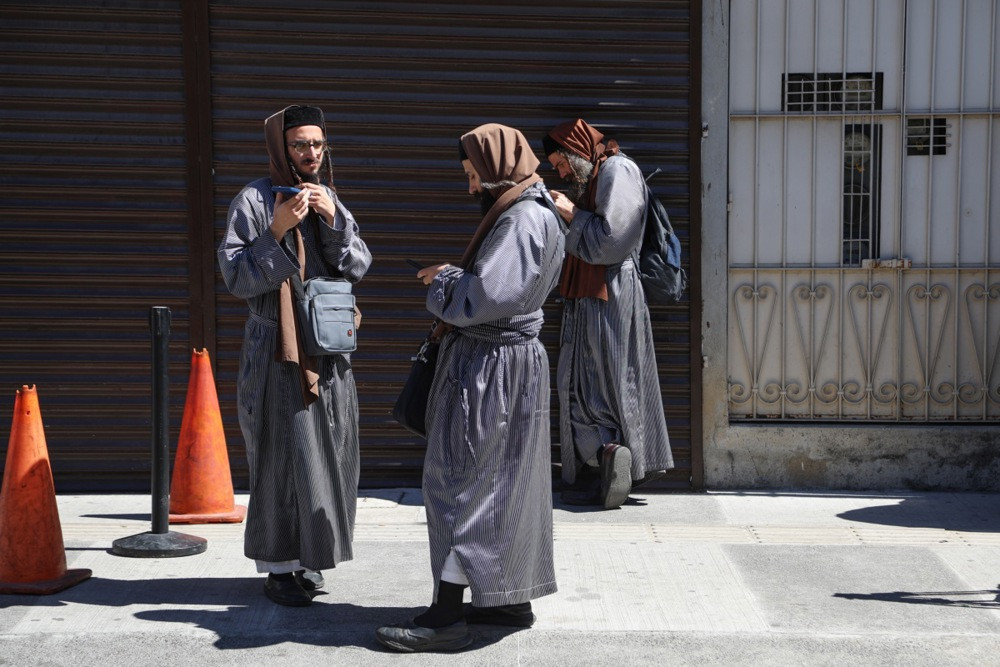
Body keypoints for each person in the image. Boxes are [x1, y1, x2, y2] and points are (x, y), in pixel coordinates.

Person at [376, 124, 563, 652]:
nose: (469, 186)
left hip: (489, 368)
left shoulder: (522, 218)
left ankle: (445, 618)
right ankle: (505, 599)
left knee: (459, 484)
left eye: (471, 173)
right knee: (503, 486)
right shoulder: (535, 210)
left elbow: (483, 299)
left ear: (496, 165)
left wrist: (441, 282)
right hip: (509, 366)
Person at [217, 105, 372, 606]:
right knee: (279, 457)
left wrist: (331, 221)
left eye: (318, 145)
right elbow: (236, 277)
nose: (310, 154)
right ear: (280, 148)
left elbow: (360, 265)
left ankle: (312, 556)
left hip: (328, 351)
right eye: (300, 144)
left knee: (331, 453)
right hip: (276, 351)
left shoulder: (330, 198)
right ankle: (279, 568)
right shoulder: (254, 201)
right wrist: (277, 231)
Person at [542, 118, 674, 510]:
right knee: (582, 381)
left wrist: (570, 215)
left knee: (613, 377)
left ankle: (618, 462)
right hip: (588, 295)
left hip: (612, 294)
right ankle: (600, 460)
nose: (562, 173)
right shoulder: (596, 176)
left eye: (562, 163)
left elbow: (612, 242)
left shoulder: (619, 170)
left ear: (578, 149)